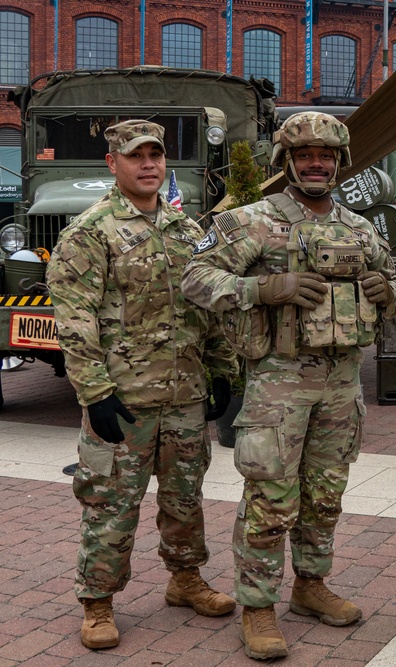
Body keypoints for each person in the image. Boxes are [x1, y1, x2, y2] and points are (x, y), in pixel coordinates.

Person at [181, 112, 396, 660]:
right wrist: (264, 288)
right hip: (278, 385)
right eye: (305, 155)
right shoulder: (252, 221)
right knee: (270, 498)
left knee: (324, 497)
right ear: (286, 161)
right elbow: (194, 278)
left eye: (326, 156)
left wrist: (385, 288)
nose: (316, 164)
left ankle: (309, 586)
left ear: (341, 163)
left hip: (341, 384)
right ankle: (257, 606)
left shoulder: (359, 226)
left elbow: (392, 280)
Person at [47, 119, 239, 651]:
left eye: (156, 154)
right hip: (124, 400)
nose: (149, 163)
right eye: (136, 156)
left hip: (183, 395)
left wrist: (222, 369)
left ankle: (185, 579)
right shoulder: (91, 232)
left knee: (185, 497)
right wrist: (95, 392)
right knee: (111, 503)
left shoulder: (185, 230)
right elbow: (74, 319)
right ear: (113, 163)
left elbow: (207, 306)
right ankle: (98, 601)